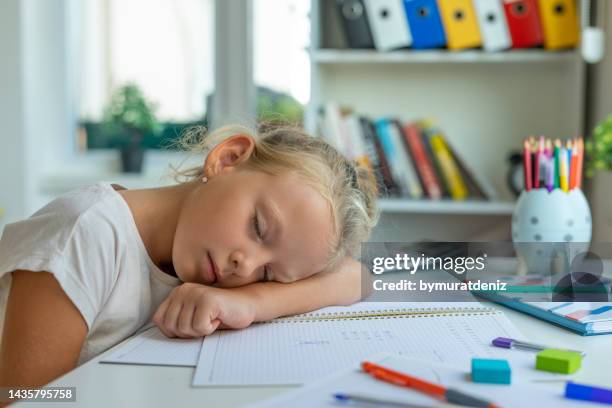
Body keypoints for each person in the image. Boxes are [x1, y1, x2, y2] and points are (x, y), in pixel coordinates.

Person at [0, 124, 378, 389]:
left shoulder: (201, 252)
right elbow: (23, 399)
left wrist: (251, 303)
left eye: (268, 273)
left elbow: (356, 276)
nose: (244, 266)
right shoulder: (85, 236)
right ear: (227, 159)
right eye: (259, 227)